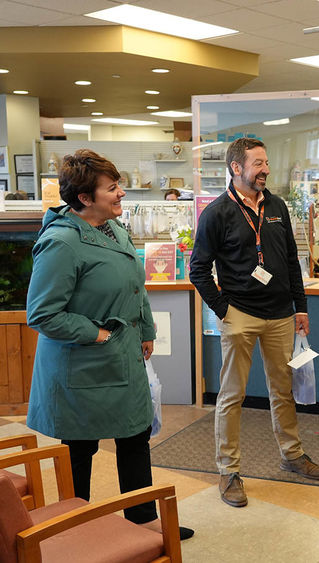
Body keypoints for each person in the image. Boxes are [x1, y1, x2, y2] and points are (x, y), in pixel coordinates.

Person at [25, 149, 193, 540]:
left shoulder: (113, 228)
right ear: (85, 198)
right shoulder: (62, 243)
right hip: (83, 365)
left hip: (122, 358)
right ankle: (73, 527)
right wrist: (97, 334)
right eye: (112, 188)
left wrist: (147, 329)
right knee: (80, 449)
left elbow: (135, 286)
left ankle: (142, 517)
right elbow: (42, 314)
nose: (121, 194)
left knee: (135, 435)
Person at [190, 137, 319, 509]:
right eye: (258, 163)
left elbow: (290, 262)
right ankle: (229, 470)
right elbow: (198, 270)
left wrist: (300, 308)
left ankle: (292, 454)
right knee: (232, 395)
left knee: (283, 390)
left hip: (282, 315)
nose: (265, 169)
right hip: (241, 315)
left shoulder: (278, 207)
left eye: (266, 163)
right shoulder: (217, 213)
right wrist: (224, 309)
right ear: (236, 168)